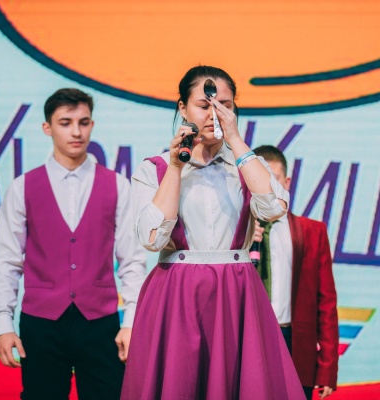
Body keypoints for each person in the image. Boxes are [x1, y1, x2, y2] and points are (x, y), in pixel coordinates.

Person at [121, 66, 304, 399]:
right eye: (204, 105)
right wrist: (176, 166)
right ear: (183, 108)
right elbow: (152, 238)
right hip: (176, 292)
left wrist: (235, 140)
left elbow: (275, 208)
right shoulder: (155, 168)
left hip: (236, 290)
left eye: (224, 105)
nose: (214, 114)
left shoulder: (245, 165)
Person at [0, 88, 147, 399]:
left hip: (100, 323)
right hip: (41, 324)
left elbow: (132, 260)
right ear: (47, 128)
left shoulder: (117, 185)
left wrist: (131, 322)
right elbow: (7, 261)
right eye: (65, 123)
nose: (76, 132)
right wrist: (3, 325)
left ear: (92, 125)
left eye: (83, 122)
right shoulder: (22, 187)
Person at [252, 145, 338, 399]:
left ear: (286, 182)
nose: (267, 188)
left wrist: (328, 367)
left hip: (293, 341)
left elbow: (326, 303)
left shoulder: (312, 232)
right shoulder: (234, 233)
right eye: (259, 179)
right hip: (249, 341)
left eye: (274, 180)